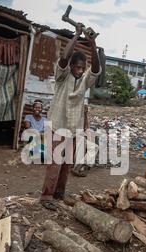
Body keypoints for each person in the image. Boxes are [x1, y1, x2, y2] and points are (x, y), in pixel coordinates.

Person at [40, 23, 101, 211]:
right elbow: (64, 57)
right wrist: (76, 35)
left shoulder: (84, 80)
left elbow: (96, 69)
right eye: (78, 67)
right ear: (72, 66)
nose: (80, 70)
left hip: (74, 129)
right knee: (55, 164)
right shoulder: (62, 76)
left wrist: (92, 43)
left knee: (67, 164)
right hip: (58, 125)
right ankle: (46, 195)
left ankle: (59, 193)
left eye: (83, 68)